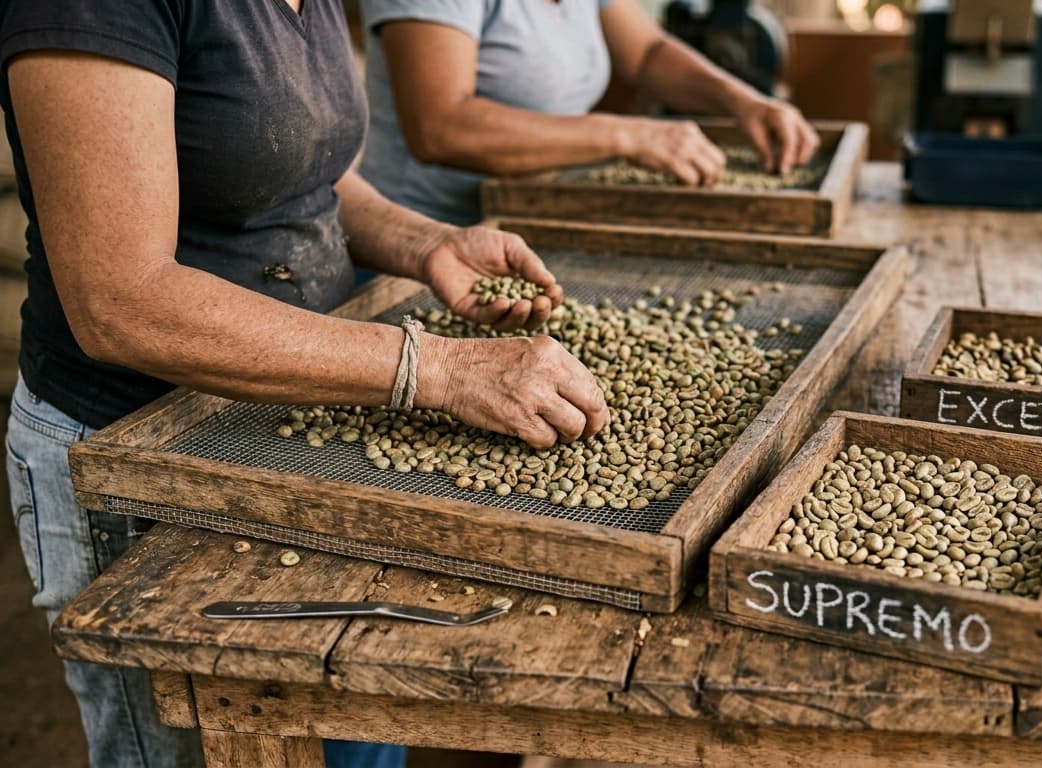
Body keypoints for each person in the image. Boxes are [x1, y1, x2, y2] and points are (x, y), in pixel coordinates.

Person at [0, 1, 610, 766]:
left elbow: (306, 174)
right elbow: (119, 300)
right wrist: (438, 369)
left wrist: (429, 243)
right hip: (136, 451)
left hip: (291, 419)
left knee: (352, 716)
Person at [359, 0, 823, 225]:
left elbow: (644, 52)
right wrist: (628, 136)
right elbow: (440, 127)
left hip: (541, 216)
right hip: (423, 238)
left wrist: (741, 100)